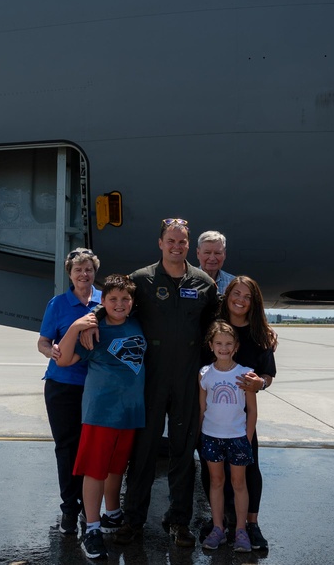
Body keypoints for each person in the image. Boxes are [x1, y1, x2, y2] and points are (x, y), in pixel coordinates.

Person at [114, 218, 218, 548]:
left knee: (183, 453)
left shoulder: (203, 283)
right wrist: (90, 325)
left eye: (182, 242)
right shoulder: (141, 280)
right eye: (171, 241)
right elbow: (117, 314)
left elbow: (215, 332)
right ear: (160, 243)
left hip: (188, 379)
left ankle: (179, 521)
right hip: (150, 379)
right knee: (142, 452)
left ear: (189, 246)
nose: (176, 246)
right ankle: (133, 521)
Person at [55, 274, 147, 560]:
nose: (119, 304)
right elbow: (64, 359)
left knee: (116, 467)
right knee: (95, 470)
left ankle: (112, 513)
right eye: (113, 299)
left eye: (125, 299)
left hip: (130, 413)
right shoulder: (94, 331)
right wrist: (74, 328)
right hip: (101, 413)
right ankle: (92, 528)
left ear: (132, 302)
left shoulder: (136, 322)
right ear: (103, 301)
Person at [200, 275, 277, 551]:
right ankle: (219, 522)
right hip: (214, 421)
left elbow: (268, 373)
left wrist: (261, 383)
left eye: (247, 296)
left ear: (254, 302)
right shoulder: (214, 329)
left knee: (248, 472)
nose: (241, 300)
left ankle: (250, 525)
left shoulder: (260, 334)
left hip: (241, 421)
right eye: (236, 294)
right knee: (213, 476)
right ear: (227, 296)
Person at [36, 248, 102, 535]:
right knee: (66, 448)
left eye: (88, 269)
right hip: (62, 386)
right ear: (70, 274)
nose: (84, 274)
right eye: (78, 270)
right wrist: (50, 351)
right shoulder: (58, 304)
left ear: (94, 271)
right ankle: (69, 510)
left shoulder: (104, 302)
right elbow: (42, 341)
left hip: (97, 386)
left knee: (91, 449)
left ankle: (90, 511)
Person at [199, 320, 257, 553]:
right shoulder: (204, 374)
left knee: (238, 483)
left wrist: (247, 438)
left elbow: (252, 410)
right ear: (211, 345)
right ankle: (218, 528)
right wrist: (200, 435)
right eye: (219, 343)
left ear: (235, 347)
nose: (223, 348)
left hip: (237, 438)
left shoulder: (245, 374)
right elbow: (202, 408)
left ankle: (241, 530)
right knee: (216, 482)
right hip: (211, 436)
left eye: (228, 344)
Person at [197, 230, 235, 294]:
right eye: (207, 253)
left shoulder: (233, 284)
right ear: (198, 253)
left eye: (217, 253)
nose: (212, 258)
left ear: (224, 254)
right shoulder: (186, 282)